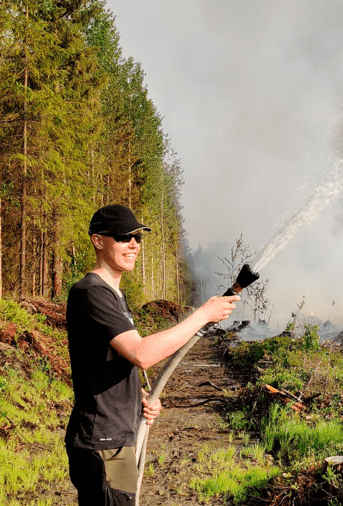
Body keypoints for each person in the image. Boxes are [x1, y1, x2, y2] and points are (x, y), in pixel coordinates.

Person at [65, 204, 239, 505]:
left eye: (137, 237)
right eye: (123, 237)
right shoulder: (91, 292)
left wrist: (140, 396)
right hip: (102, 441)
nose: (133, 244)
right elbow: (141, 353)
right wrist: (201, 315)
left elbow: (107, 362)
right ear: (98, 240)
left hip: (119, 437)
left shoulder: (116, 294)